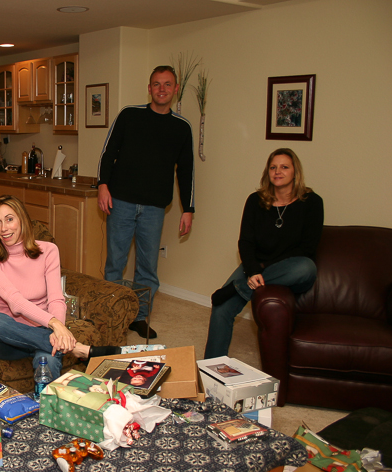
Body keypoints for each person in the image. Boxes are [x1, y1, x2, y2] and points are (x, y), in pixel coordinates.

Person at [97, 65, 195, 339]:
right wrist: (102, 185)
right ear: (149, 88)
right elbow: (108, 153)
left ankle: (139, 317)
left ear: (175, 90)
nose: (161, 89)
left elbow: (186, 171)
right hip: (121, 202)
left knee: (147, 268)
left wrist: (189, 209)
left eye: (167, 84)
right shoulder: (130, 115)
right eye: (156, 84)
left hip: (154, 208)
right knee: (115, 263)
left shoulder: (181, 127)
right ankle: (111, 316)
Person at [0, 196, 121, 379]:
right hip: (9, 337)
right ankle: (78, 349)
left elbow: (56, 298)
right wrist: (56, 325)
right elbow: (15, 302)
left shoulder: (49, 251)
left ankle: (45, 405)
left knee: (49, 359)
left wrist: (57, 330)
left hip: (45, 330)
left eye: (9, 219)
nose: (3, 228)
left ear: (23, 220)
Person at [204, 148, 324, 358]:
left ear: (295, 172)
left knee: (306, 266)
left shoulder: (312, 202)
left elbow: (306, 247)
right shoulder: (255, 200)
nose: (278, 171)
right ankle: (209, 370)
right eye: (273, 167)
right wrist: (252, 269)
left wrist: (260, 270)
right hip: (256, 266)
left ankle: (237, 287)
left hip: (291, 269)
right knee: (221, 308)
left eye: (284, 167)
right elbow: (246, 241)